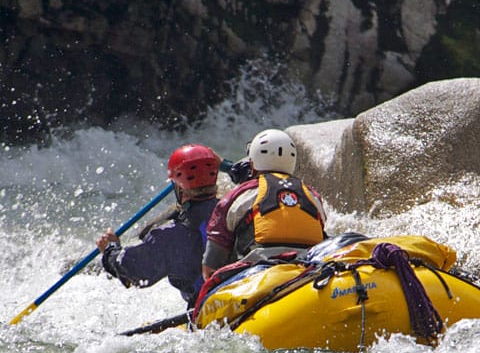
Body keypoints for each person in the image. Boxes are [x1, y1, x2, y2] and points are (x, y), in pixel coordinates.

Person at [98, 144, 221, 307]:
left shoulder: (169, 237)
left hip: (208, 306)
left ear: (178, 186)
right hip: (245, 290)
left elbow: (132, 272)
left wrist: (110, 249)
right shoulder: (238, 208)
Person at [201, 129, 328, 279]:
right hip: (307, 271)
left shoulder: (238, 196)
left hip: (256, 276)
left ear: (252, 164)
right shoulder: (312, 196)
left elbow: (211, 266)